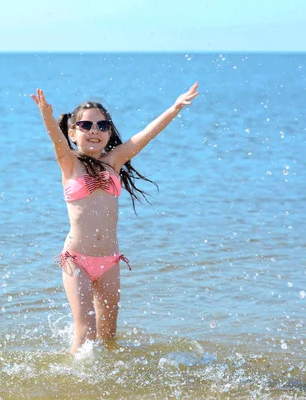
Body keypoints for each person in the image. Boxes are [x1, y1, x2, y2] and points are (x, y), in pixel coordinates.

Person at [30, 83, 199, 353]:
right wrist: (47, 118)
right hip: (77, 259)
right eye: (85, 126)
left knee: (108, 335)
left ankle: (109, 381)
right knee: (86, 330)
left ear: (109, 131)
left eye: (102, 125)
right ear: (73, 133)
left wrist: (175, 107)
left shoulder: (114, 161)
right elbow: (56, 140)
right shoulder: (69, 162)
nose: (94, 131)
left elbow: (146, 135)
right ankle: (73, 383)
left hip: (110, 260)